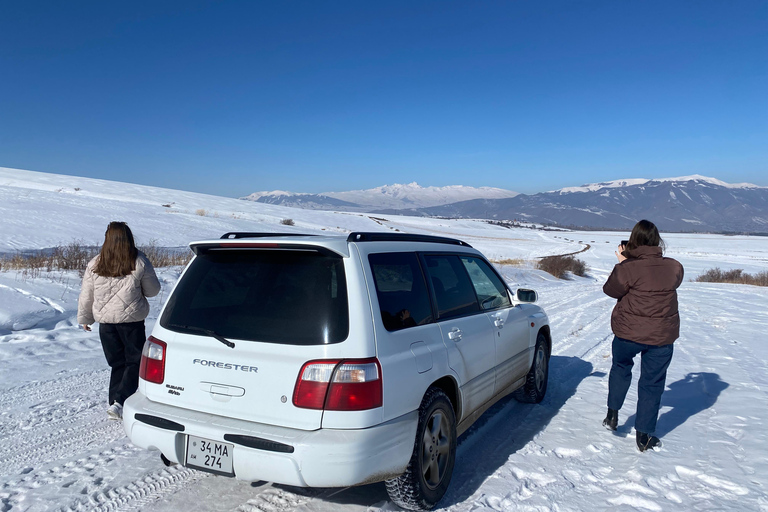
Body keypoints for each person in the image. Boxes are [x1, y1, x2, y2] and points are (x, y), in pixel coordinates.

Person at [602, 219, 684, 451]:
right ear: (657, 241)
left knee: (620, 369)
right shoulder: (675, 267)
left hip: (627, 333)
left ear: (633, 241)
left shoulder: (626, 268)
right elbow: (669, 280)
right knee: (652, 383)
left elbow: (610, 290)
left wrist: (624, 263)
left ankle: (612, 415)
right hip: (661, 337)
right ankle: (644, 436)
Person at [78, 222, 161, 420]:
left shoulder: (95, 263)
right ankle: (120, 402)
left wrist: (85, 318)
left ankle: (114, 402)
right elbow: (153, 290)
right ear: (129, 238)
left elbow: (86, 294)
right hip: (131, 321)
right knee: (134, 360)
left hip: (106, 323)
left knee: (117, 362)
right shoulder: (139, 261)